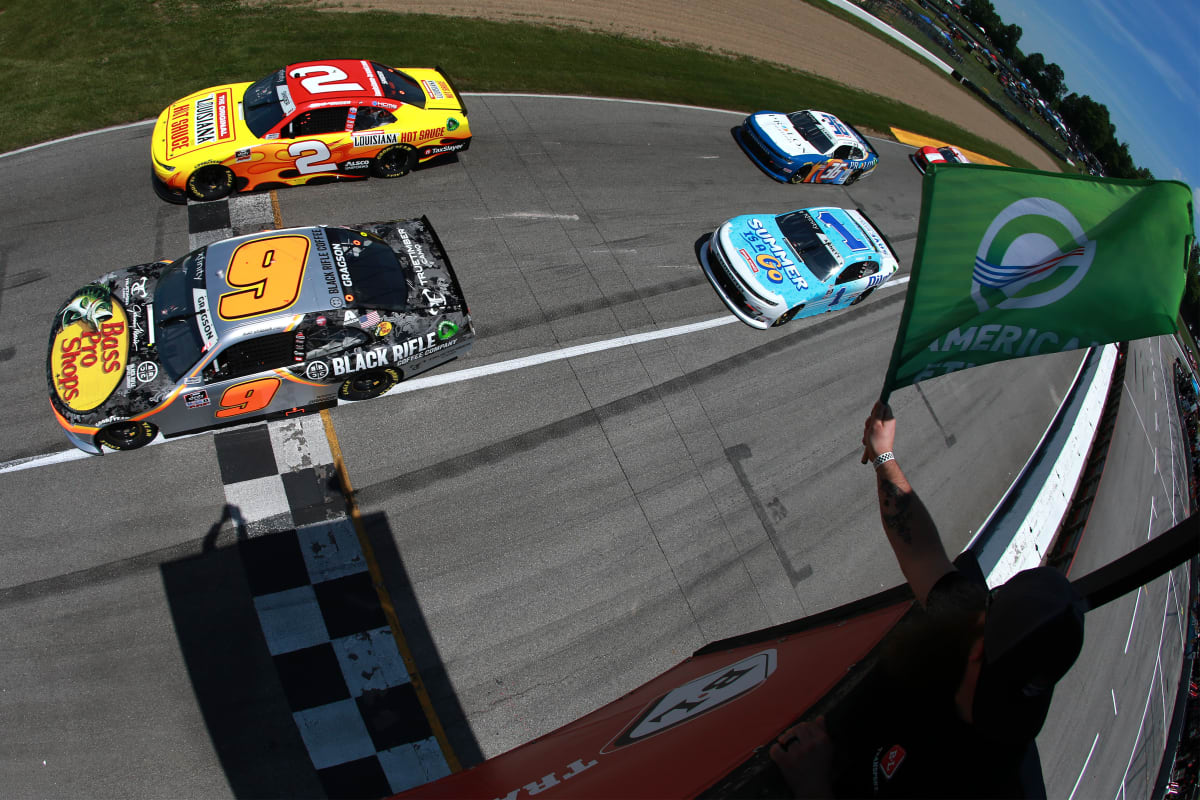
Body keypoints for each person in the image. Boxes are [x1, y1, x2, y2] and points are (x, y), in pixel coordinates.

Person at [769, 401, 1087, 798]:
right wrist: (883, 452)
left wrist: (814, 788)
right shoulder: (967, 625)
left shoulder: (991, 785)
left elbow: (920, 552)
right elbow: (919, 547)